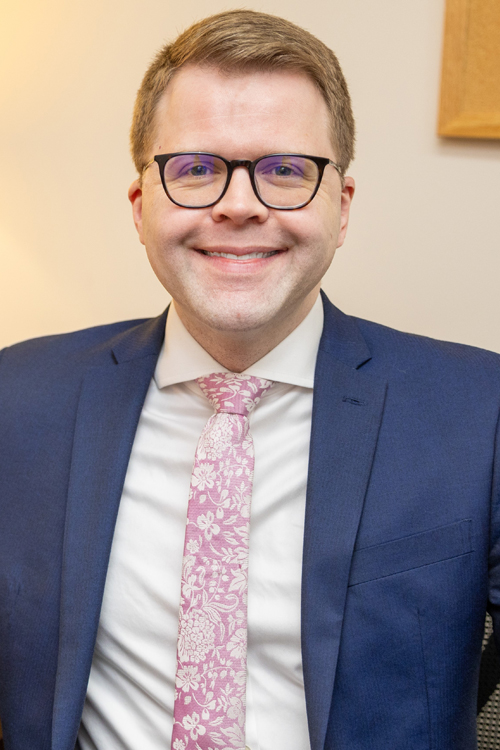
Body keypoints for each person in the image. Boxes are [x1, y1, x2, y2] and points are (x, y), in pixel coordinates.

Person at [0, 9, 499, 750]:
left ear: (342, 207)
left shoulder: (478, 411)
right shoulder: (18, 398)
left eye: (287, 170)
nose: (240, 204)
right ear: (142, 208)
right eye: (196, 168)